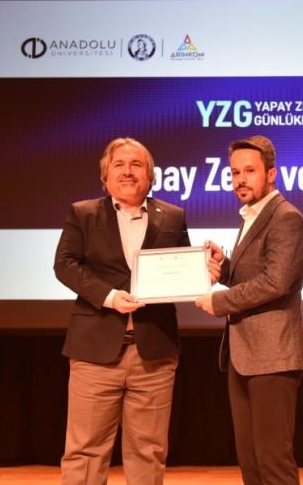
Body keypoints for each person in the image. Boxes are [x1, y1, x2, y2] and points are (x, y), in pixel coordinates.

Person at [55, 137, 195, 485]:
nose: (128, 172)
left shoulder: (173, 216)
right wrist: (108, 296)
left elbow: (182, 269)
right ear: (105, 175)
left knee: (149, 452)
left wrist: (202, 270)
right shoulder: (83, 213)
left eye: (137, 165)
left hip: (154, 355)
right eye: (119, 164)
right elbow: (65, 265)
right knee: (85, 453)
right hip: (95, 353)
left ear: (150, 176)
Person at [196, 135, 303, 485]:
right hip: (245, 355)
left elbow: (276, 282)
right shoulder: (253, 215)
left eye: (249, 171)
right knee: (251, 462)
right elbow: (256, 275)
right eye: (234, 173)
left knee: (273, 462)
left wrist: (219, 302)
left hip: (273, 356)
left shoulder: (286, 218)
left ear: (271, 174)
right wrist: (225, 266)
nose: (240, 180)